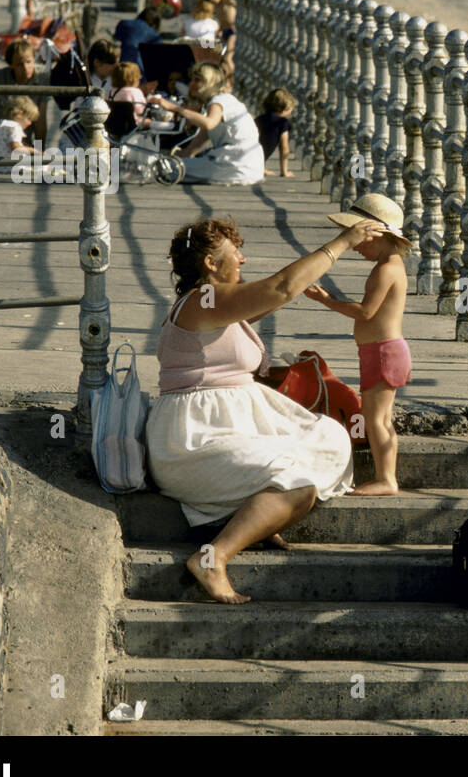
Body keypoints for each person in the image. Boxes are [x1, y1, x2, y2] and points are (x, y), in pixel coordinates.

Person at [147, 214, 387, 603]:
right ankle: (213, 557)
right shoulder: (202, 301)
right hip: (194, 436)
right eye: (235, 252)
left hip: (229, 423)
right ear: (210, 263)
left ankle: (256, 516)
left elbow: (280, 291)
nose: (242, 259)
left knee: (330, 440)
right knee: (299, 486)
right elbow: (280, 287)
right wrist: (342, 242)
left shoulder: (221, 305)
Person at [304, 193, 412, 497]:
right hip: (379, 351)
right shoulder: (389, 264)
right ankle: (384, 475)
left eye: (361, 240)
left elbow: (366, 312)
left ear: (379, 234)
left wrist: (328, 301)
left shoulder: (386, 269)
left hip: (383, 352)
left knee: (376, 419)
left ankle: (386, 479)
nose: (357, 247)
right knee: (378, 418)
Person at [148, 62, 265, 185]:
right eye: (191, 79)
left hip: (233, 164)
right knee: (176, 165)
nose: (191, 84)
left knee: (168, 168)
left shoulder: (218, 102)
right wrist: (185, 154)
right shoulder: (224, 100)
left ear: (210, 83)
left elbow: (209, 124)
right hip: (246, 165)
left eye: (197, 80)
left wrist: (175, 108)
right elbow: (204, 135)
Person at [0, 96, 38, 173]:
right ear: (19, 114)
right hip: (11, 166)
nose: (30, 123)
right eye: (29, 119)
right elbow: (16, 148)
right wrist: (34, 150)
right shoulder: (15, 127)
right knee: (41, 166)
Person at [257, 88, 294, 177]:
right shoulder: (282, 123)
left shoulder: (259, 119)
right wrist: (284, 172)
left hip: (249, 157)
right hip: (256, 159)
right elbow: (284, 148)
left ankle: (259, 168)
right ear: (285, 108)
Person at [113, 5, 163, 70]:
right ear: (155, 23)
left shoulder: (123, 23)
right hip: (138, 68)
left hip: (119, 63)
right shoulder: (154, 34)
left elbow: (116, 41)